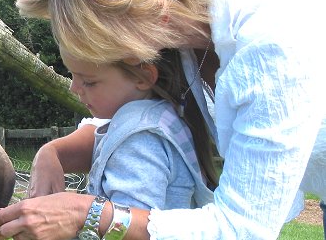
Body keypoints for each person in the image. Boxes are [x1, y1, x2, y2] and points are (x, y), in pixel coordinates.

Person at [0, 0, 326, 239]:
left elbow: (243, 229)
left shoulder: (273, 45)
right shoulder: (182, 17)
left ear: (151, 9)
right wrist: (52, 155)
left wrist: (89, 214)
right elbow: (140, 111)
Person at [29, 48, 216, 218]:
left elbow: (128, 227)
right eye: (72, 75)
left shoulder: (139, 140)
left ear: (143, 77)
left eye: (89, 82)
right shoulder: (165, 118)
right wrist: (50, 153)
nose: (74, 88)